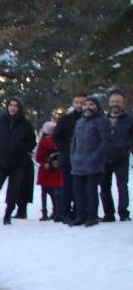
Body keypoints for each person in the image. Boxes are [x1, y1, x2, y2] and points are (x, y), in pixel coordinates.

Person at [0, 97, 37, 225]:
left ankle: (8, 215)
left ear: (19, 108)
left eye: (16, 106)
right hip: (1, 162)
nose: (13, 108)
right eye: (11, 105)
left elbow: (32, 142)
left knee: (13, 191)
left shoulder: (26, 125)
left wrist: (21, 147)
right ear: (7, 107)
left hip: (18, 163)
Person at [68, 95, 110, 227]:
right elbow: (74, 140)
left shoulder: (102, 121)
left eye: (91, 105)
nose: (88, 107)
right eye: (86, 105)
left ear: (97, 107)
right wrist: (72, 155)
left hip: (93, 164)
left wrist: (96, 156)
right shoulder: (79, 122)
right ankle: (81, 216)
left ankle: (92, 216)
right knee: (78, 191)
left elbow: (106, 140)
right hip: (78, 163)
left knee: (90, 191)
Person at [50, 93, 87, 223]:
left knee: (81, 188)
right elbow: (56, 136)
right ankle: (65, 213)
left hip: (84, 160)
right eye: (77, 102)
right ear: (73, 104)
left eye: (83, 103)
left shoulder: (90, 119)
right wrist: (66, 149)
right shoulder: (66, 119)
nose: (80, 105)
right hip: (67, 159)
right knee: (67, 187)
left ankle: (79, 212)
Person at [100, 90, 132, 222]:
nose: (115, 104)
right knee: (104, 187)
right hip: (104, 158)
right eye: (113, 101)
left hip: (121, 157)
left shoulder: (130, 120)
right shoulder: (103, 120)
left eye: (118, 102)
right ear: (109, 103)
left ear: (123, 104)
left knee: (122, 186)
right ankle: (109, 214)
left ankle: (123, 213)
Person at [33, 122, 62, 221]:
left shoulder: (43, 142)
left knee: (44, 192)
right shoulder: (58, 141)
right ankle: (56, 210)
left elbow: (37, 157)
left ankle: (44, 212)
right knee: (55, 192)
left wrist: (43, 162)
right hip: (56, 170)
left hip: (45, 170)